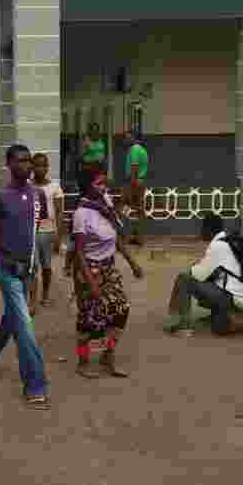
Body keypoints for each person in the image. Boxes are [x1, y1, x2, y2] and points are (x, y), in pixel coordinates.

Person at [0, 144, 51, 409]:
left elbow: (32, 236)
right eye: (20, 161)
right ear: (8, 165)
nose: (27, 165)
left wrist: (35, 280)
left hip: (27, 273)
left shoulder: (39, 196)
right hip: (6, 273)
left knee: (12, 322)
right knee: (25, 330)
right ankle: (35, 384)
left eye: (29, 161)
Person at [71, 160, 143, 379]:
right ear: (88, 186)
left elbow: (115, 238)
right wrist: (91, 283)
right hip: (88, 269)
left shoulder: (106, 204)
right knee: (88, 318)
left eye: (104, 181)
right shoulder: (82, 214)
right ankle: (82, 361)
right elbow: (79, 253)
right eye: (99, 183)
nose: (104, 187)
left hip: (108, 267)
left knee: (121, 310)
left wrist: (132, 262)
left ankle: (107, 355)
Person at [165, 213, 243, 336]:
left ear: (209, 230)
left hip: (233, 299)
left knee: (184, 279)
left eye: (203, 228)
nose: (201, 232)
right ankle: (216, 314)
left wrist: (192, 268)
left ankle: (184, 326)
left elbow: (199, 274)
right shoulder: (229, 241)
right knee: (213, 279)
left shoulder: (217, 246)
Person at [29, 153, 64, 310]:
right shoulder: (26, 186)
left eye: (43, 165)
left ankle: (45, 293)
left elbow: (59, 212)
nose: (40, 169)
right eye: (37, 165)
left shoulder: (54, 187)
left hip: (48, 232)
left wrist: (59, 236)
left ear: (48, 167)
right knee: (33, 266)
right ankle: (33, 300)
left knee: (46, 267)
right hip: (31, 232)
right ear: (32, 167)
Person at [124, 130, 149, 246]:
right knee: (139, 210)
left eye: (128, 137)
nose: (125, 139)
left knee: (125, 207)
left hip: (134, 182)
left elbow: (134, 168)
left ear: (134, 138)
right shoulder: (142, 150)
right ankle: (139, 237)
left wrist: (130, 187)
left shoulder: (134, 150)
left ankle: (128, 236)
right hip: (141, 181)